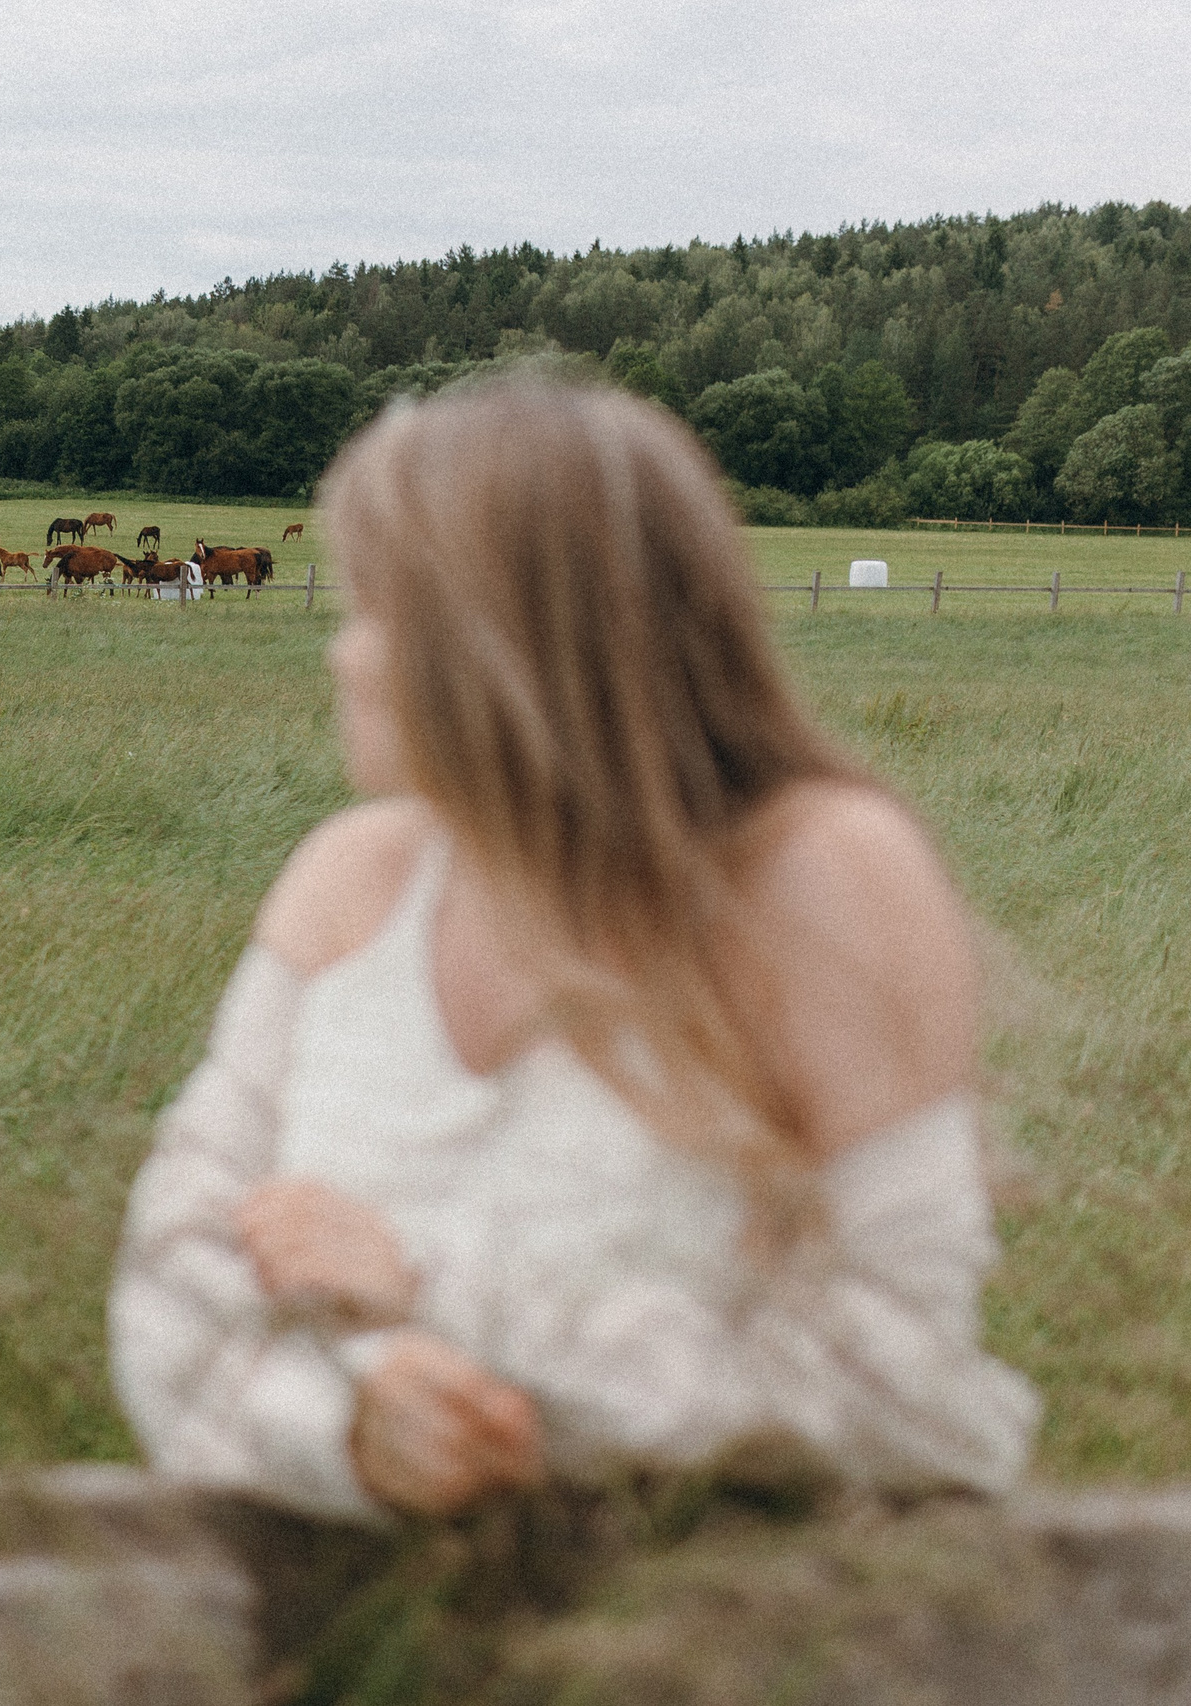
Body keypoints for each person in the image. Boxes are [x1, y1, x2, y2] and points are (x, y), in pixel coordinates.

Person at [108, 378, 1037, 1522]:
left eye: (372, 610)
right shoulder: (349, 883)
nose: (341, 656)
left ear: (491, 634)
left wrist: (436, 1299)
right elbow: (168, 1292)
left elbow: (910, 1393)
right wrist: (354, 1428)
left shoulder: (821, 878)